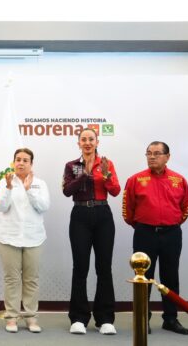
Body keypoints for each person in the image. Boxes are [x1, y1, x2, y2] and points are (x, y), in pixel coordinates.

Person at [122, 141, 188, 335]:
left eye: (157, 153)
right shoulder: (136, 179)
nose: (152, 157)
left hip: (172, 234)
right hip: (145, 233)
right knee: (144, 279)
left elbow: (184, 209)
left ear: (167, 157)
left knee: (171, 277)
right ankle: (143, 319)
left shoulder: (179, 180)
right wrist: (144, 225)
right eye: (149, 153)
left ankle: (171, 319)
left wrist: (170, 223)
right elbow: (128, 210)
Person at [62, 127, 120, 335]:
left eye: (91, 139)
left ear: (97, 142)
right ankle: (78, 318)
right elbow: (67, 191)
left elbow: (115, 190)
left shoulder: (106, 163)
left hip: (103, 215)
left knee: (104, 267)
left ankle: (105, 318)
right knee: (80, 267)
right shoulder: (72, 165)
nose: (87, 142)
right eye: (83, 139)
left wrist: (105, 175)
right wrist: (83, 175)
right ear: (78, 143)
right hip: (80, 216)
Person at [0, 148, 50, 334]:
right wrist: (10, 189)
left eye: (25, 160)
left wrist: (29, 191)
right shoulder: (5, 182)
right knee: (11, 279)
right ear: (13, 162)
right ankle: (11, 317)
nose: (21, 163)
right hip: (8, 237)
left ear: (31, 164)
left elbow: (44, 207)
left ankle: (31, 317)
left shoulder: (39, 183)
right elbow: (0, 207)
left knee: (31, 279)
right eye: (18, 159)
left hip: (34, 238)